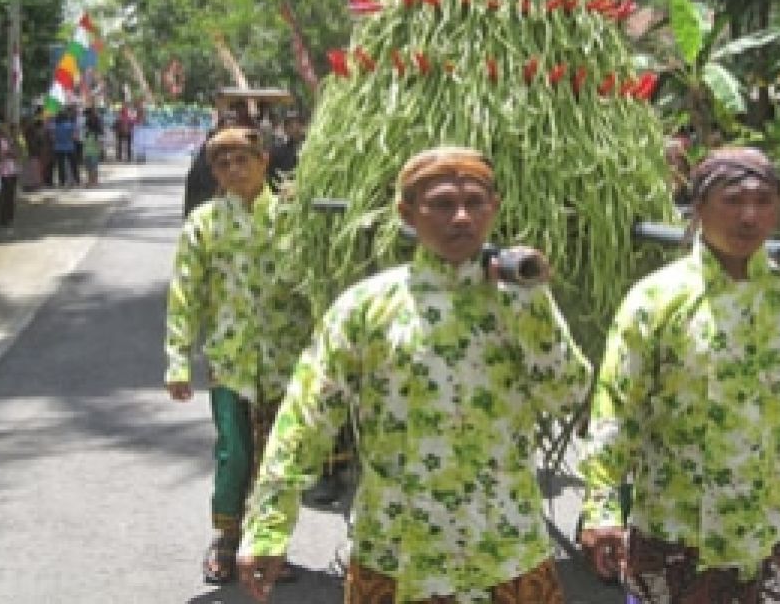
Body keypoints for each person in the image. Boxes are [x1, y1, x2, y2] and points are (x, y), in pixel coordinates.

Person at [237, 146, 592, 604]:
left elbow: (570, 397)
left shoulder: (521, 301)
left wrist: (533, 309)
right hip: (396, 556)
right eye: (443, 203)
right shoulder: (366, 308)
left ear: (494, 208)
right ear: (407, 213)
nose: (461, 217)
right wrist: (267, 528)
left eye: (475, 203)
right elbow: (305, 421)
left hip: (507, 553)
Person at [578, 146, 780, 604]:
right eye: (733, 200)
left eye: (764, 201)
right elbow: (616, 408)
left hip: (775, 534)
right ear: (699, 206)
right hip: (677, 534)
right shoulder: (657, 298)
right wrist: (601, 506)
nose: (750, 216)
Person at [165, 126, 308, 586]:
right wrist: (178, 360)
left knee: (278, 457)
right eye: (222, 163)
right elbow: (185, 294)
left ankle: (268, 547)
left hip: (287, 360)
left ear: (264, 160)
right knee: (234, 453)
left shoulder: (294, 215)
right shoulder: (203, 223)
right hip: (231, 361)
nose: (232, 169)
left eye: (241, 159)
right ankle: (228, 538)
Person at [0, 117, 21, 227]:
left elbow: (16, 153)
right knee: (2, 195)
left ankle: (9, 217)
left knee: (10, 195)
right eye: (3, 125)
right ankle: (2, 218)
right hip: (0, 171)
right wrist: (5, 154)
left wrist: (11, 147)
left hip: (12, 169)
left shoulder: (9, 138)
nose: (5, 128)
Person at [265, 111, 305, 193]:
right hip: (286, 192)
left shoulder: (313, 147)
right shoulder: (277, 150)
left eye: (298, 124)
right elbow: (271, 174)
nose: (295, 128)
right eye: (290, 126)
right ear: (285, 129)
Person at [52, 109, 78, 188]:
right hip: (70, 146)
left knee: (60, 165)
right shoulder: (70, 125)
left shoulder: (55, 126)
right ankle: (76, 179)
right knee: (73, 164)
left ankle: (62, 181)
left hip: (58, 147)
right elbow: (74, 137)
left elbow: (53, 138)